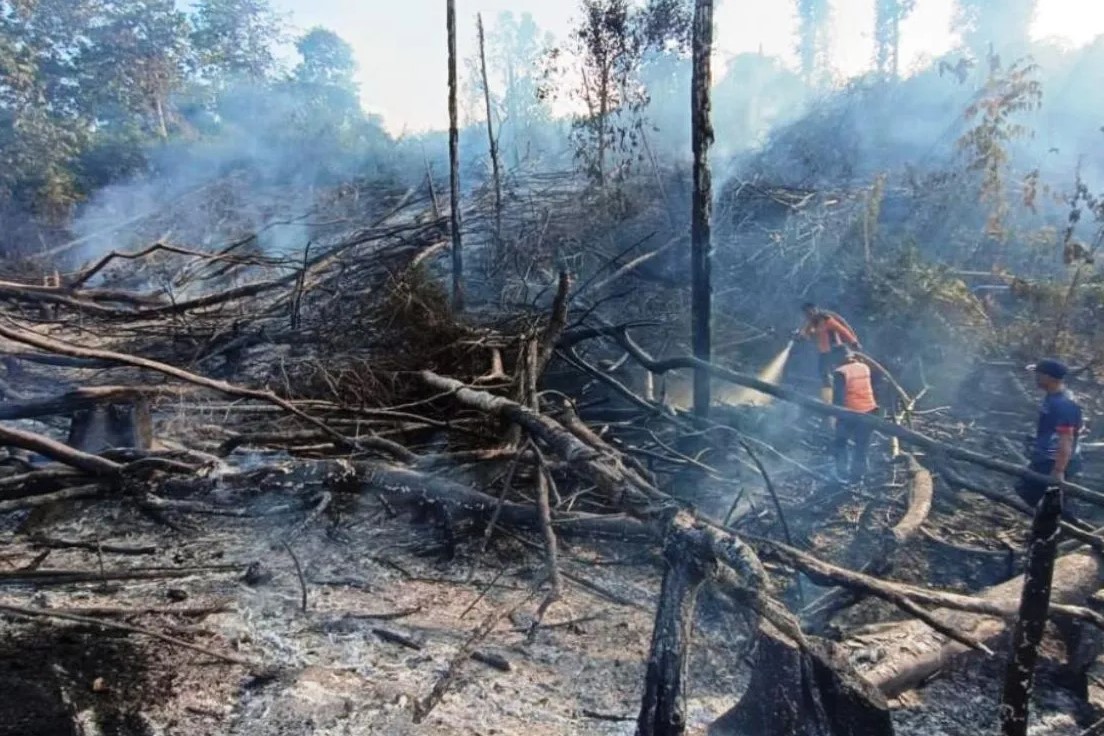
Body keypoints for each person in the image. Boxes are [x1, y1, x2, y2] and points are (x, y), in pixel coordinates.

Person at [1017, 358, 1083, 507]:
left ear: (1048, 377)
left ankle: (1062, 527)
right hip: (1045, 458)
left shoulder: (1064, 404)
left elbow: (1066, 439)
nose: (1035, 378)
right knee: (1026, 492)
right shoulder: (1053, 396)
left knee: (1052, 504)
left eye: (1038, 374)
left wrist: (1058, 470)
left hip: (1054, 462)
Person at [831, 346, 879, 485]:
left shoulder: (840, 372)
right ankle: (858, 477)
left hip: (850, 413)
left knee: (840, 443)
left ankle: (841, 474)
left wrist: (835, 416)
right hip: (869, 410)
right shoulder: (864, 367)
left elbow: (838, 399)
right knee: (861, 445)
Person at [795, 303, 861, 403]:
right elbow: (805, 334)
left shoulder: (826, 320)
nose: (810, 315)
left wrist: (853, 342)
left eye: (811, 312)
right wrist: (799, 337)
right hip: (825, 353)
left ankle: (851, 396)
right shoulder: (811, 323)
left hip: (836, 350)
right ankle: (827, 399)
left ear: (815, 310)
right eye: (807, 313)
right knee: (823, 374)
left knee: (842, 374)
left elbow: (842, 330)